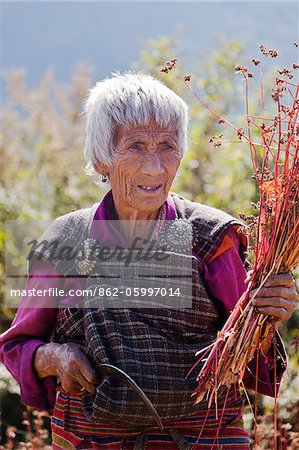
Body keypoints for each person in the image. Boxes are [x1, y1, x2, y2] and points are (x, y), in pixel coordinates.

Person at [0, 73, 297, 450]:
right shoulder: (63, 240)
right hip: (93, 440)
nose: (154, 168)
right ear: (101, 157)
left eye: (168, 147)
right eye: (136, 146)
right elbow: (16, 346)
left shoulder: (212, 237)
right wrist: (55, 356)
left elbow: (249, 353)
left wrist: (270, 315)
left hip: (204, 439)